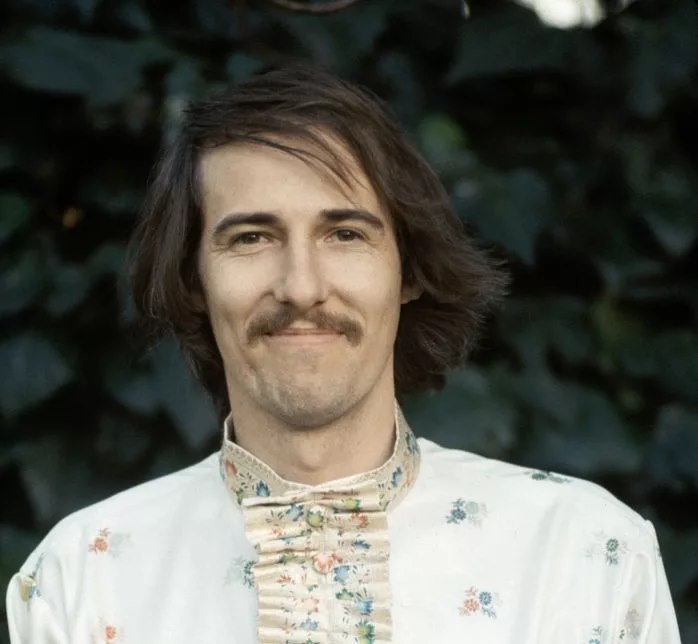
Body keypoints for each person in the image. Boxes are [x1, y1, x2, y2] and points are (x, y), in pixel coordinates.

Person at [6, 66, 680, 644]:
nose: (302, 288)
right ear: (192, 280)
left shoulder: (585, 553)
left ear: (409, 270)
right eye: (251, 238)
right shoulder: (81, 578)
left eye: (346, 234)